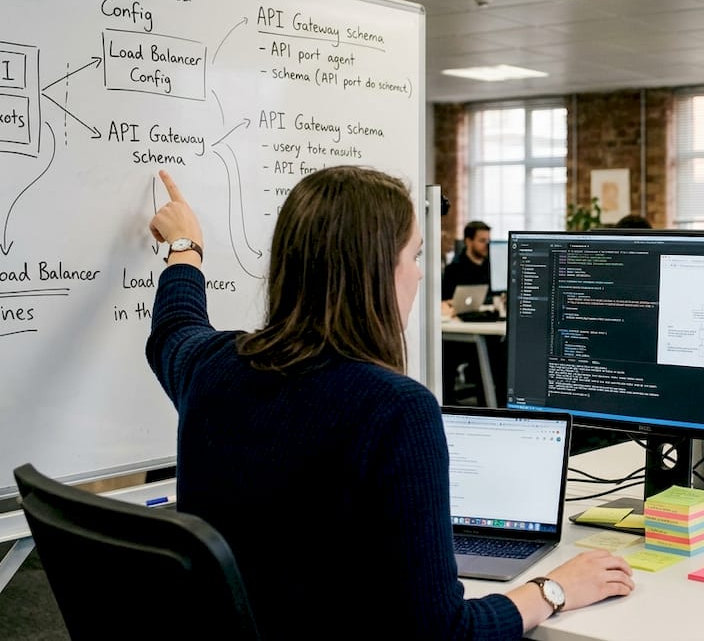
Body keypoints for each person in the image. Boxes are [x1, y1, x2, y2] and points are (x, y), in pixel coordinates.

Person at [146, 168, 633, 639]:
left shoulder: (210, 367)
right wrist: (553, 589)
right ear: (379, 270)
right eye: (415, 255)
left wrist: (185, 248)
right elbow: (444, 632)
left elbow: (174, 328)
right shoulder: (395, 409)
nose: (420, 274)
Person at [442, 220, 492, 305]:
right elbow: (446, 303)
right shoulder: (453, 270)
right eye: (482, 241)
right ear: (468, 241)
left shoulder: (491, 267)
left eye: (488, 241)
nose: (487, 245)